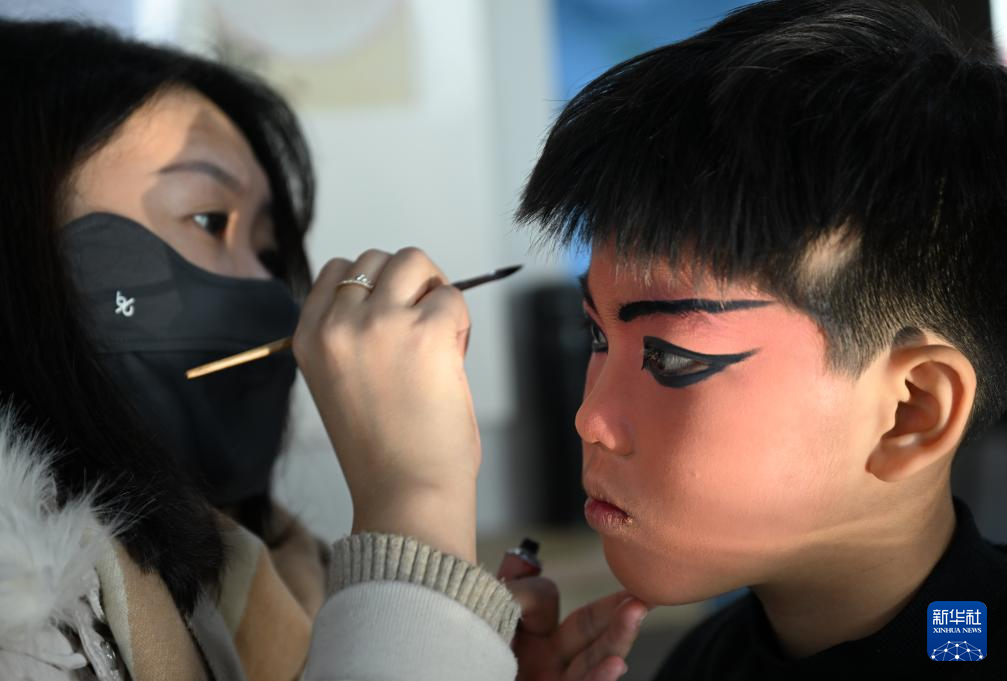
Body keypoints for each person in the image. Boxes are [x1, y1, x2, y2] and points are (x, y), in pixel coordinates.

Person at [0, 18, 645, 681]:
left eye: (270, 251)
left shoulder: (284, 578)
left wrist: (450, 652)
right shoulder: (21, 620)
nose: (273, 293)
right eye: (208, 220)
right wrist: (413, 498)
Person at [510, 0, 1007, 678]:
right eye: (596, 335)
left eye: (671, 357)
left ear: (909, 412)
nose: (590, 419)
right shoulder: (704, 660)